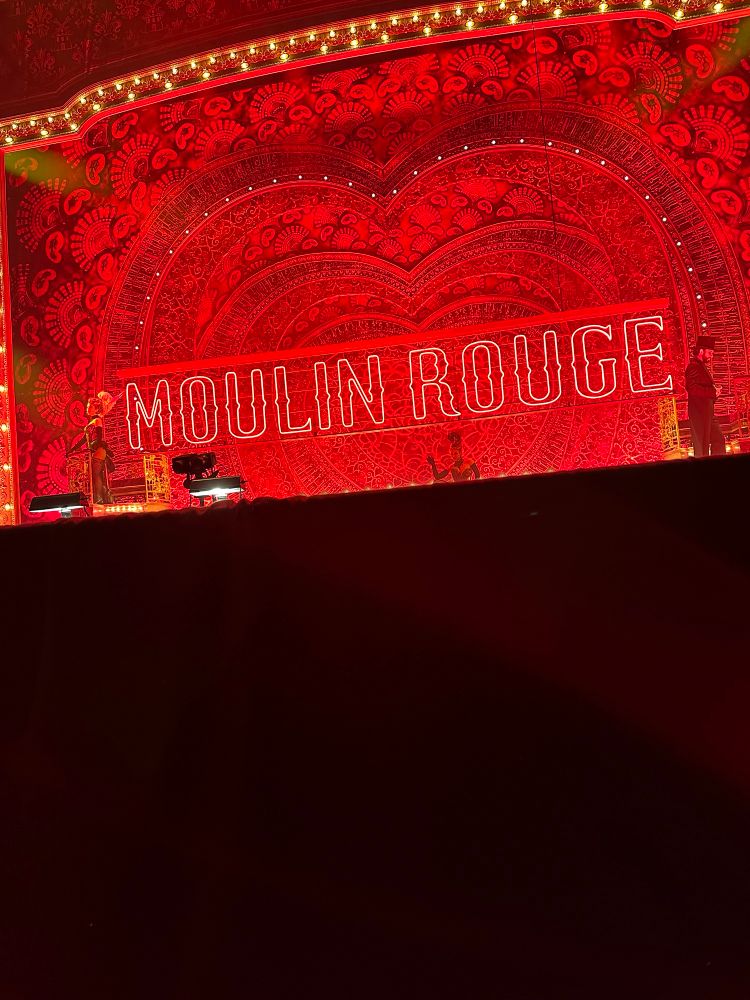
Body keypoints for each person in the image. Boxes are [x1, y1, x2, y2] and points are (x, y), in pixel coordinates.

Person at [68, 391, 117, 503]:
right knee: (94, 476)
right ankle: (99, 498)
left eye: (90, 407)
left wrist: (92, 447)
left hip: (98, 450)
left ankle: (99, 499)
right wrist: (72, 450)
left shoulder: (98, 420)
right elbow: (83, 439)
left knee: (96, 475)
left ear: (96, 409)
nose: (87, 409)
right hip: (94, 450)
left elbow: (99, 438)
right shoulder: (92, 422)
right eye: (87, 407)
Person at [685, 336, 725, 458]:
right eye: (710, 353)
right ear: (701, 351)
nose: (711, 356)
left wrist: (714, 392)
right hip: (699, 413)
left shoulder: (700, 366)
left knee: (718, 439)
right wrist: (712, 392)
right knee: (702, 448)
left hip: (708, 413)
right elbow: (692, 388)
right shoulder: (693, 367)